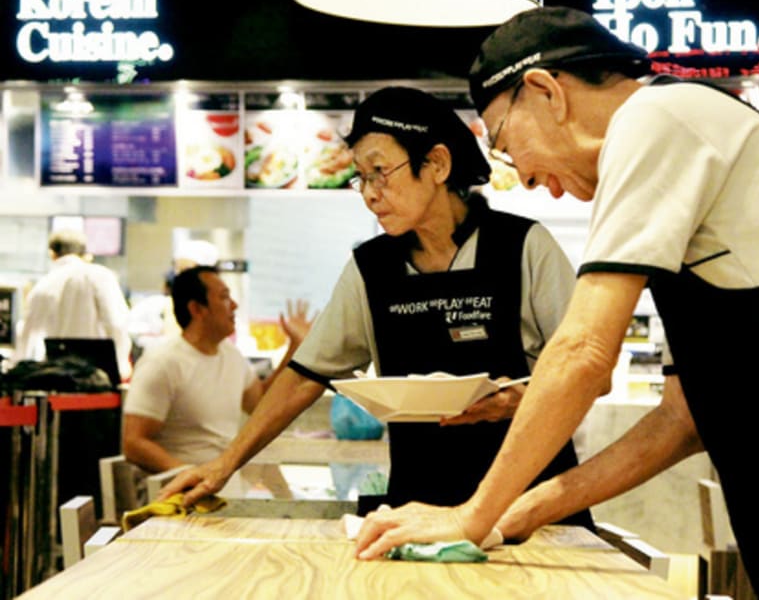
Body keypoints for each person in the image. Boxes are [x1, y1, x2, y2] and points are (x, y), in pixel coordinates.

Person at [352, 6, 759, 597]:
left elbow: (583, 349)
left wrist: (470, 515)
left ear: (546, 91)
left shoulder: (657, 118)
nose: (523, 178)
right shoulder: (672, 164)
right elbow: (680, 422)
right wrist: (517, 515)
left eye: (504, 143)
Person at [159, 86, 593, 528]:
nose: (369, 193)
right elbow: (306, 375)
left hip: (534, 505)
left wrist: (520, 400)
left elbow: (588, 372)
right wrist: (224, 464)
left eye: (380, 171)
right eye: (361, 177)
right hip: (418, 504)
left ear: (437, 164)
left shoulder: (522, 246)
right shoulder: (372, 267)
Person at [122, 266, 314, 473]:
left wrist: (295, 347)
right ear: (197, 309)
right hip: (179, 495)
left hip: (222, 484)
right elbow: (133, 443)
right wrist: (190, 475)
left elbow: (260, 403)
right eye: (224, 298)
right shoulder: (163, 362)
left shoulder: (231, 355)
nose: (234, 305)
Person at [11, 228, 132, 381]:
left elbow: (26, 337)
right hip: (99, 374)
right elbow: (117, 323)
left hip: (59, 376)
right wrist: (121, 365)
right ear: (85, 254)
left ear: (52, 254)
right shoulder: (99, 276)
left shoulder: (42, 285)